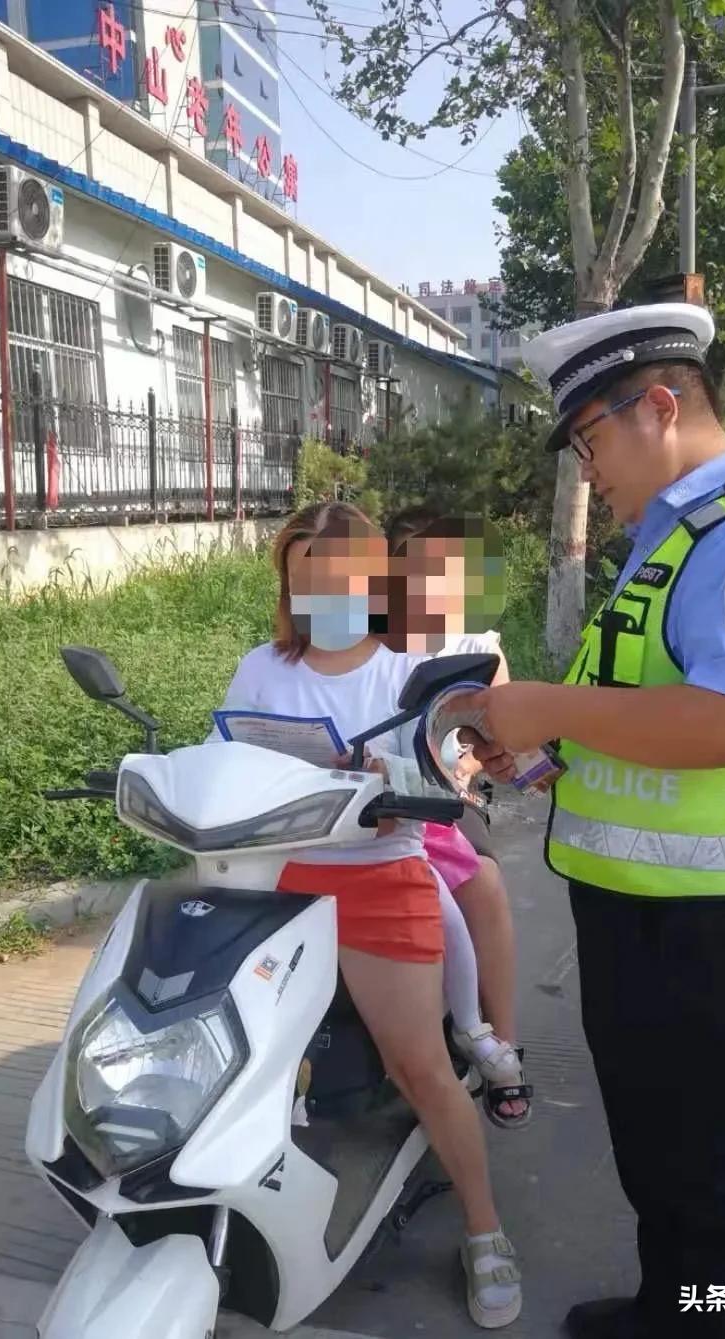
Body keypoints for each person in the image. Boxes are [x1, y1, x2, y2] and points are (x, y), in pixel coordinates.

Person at [457, 303, 725, 1339]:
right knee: (659, 1162)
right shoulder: (671, 546)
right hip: (642, 923)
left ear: (658, 408)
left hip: (704, 934)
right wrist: (540, 752)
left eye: (590, 443)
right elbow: (647, 711)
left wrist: (552, 707)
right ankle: (670, 1310)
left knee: (700, 1177)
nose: (588, 472)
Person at [219, 501, 522, 1329]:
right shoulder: (261, 667)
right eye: (304, 566)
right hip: (278, 884)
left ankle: (485, 1230)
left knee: (420, 1067)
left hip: (381, 881)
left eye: (340, 566)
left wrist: (394, 780)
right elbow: (224, 762)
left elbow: (440, 790)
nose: (322, 582)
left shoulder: (402, 673)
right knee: (241, 1057)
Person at [385, 508, 532, 1129]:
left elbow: (511, 748)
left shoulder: (476, 646)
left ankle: (501, 1043)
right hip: (360, 794)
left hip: (445, 799)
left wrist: (472, 763)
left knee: (485, 883)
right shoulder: (365, 637)